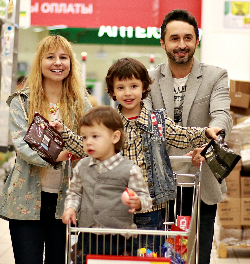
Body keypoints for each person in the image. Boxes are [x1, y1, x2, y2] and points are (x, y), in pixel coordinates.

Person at [52, 58, 222, 239]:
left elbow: (181, 135)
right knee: (117, 253)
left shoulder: (157, 120)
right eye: (120, 87)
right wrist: (64, 133)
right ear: (112, 91)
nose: (128, 93)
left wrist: (205, 132)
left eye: (133, 86)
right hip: (115, 209)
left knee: (147, 254)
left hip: (152, 207)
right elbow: (86, 145)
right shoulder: (108, 123)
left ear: (144, 88)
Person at [143, 9, 233, 264]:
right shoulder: (147, 79)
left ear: (196, 40)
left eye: (187, 38)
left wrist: (208, 144)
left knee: (197, 254)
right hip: (158, 184)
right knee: (158, 256)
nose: (181, 45)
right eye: (174, 38)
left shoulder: (216, 75)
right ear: (162, 42)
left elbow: (222, 116)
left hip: (201, 178)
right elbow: (149, 123)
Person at [0, 35, 92, 264]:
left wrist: (80, 148)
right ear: (39, 62)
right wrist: (61, 155)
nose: (57, 62)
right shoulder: (22, 102)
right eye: (50, 57)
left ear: (71, 64)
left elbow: (92, 141)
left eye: (63, 57)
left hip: (67, 200)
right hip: (25, 198)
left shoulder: (81, 103)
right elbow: (22, 144)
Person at [61, 105, 152, 262]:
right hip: (87, 236)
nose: (88, 142)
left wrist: (138, 202)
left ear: (115, 137)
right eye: (84, 137)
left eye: (95, 136)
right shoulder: (82, 166)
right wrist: (70, 208)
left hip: (120, 240)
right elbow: (75, 192)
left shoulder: (130, 169)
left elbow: (146, 199)